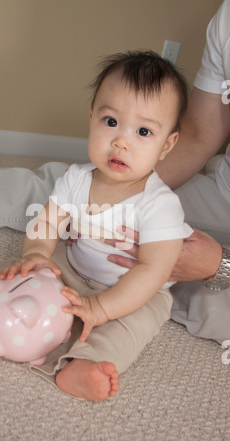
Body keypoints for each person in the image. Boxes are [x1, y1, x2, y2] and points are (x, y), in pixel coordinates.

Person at [0, 51, 192, 401]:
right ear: (92, 118)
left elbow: (154, 270)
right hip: (73, 265)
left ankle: (78, 366)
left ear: (166, 145)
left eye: (143, 131)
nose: (121, 141)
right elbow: (48, 221)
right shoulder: (76, 178)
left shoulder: (161, 205)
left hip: (132, 290)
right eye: (111, 122)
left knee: (125, 330)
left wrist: (101, 308)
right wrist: (36, 253)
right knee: (29, 274)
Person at [106, 0, 230, 344]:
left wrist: (220, 265)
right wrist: (115, 188)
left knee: (215, 305)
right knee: (79, 197)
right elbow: (202, 134)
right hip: (223, 195)